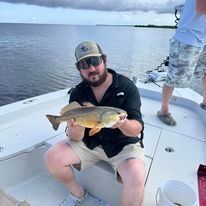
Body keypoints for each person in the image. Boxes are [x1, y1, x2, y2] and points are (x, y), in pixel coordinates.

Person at [44, 41, 145, 206]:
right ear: (79, 69)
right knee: (52, 157)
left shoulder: (126, 86)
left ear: (104, 60)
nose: (91, 69)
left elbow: (137, 128)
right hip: (89, 143)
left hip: (122, 145)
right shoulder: (77, 92)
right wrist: (74, 130)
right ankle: (78, 194)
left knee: (136, 175)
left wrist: (123, 123)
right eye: (84, 64)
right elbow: (76, 138)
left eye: (95, 61)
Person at [157, 0, 206, 126]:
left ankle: (205, 102)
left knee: (205, 72)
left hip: (203, 40)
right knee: (173, 79)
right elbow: (201, 8)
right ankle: (163, 110)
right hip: (188, 39)